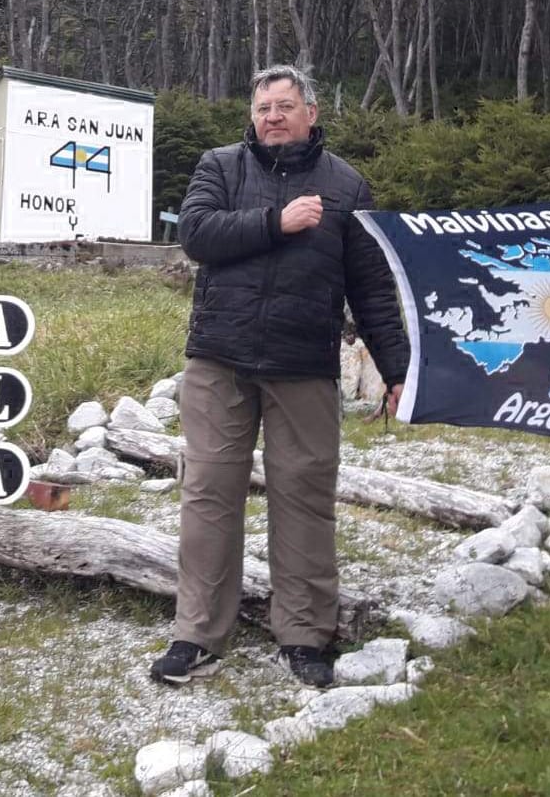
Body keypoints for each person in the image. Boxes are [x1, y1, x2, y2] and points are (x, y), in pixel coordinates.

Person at [150, 64, 409, 688]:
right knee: (209, 496)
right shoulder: (220, 166)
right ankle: (198, 634)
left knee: (305, 500)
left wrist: (398, 369)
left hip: (304, 366)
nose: (273, 116)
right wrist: (277, 221)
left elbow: (372, 288)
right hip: (219, 360)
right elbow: (196, 234)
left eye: (285, 106)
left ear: (311, 113)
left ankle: (304, 635)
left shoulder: (347, 185)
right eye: (263, 106)